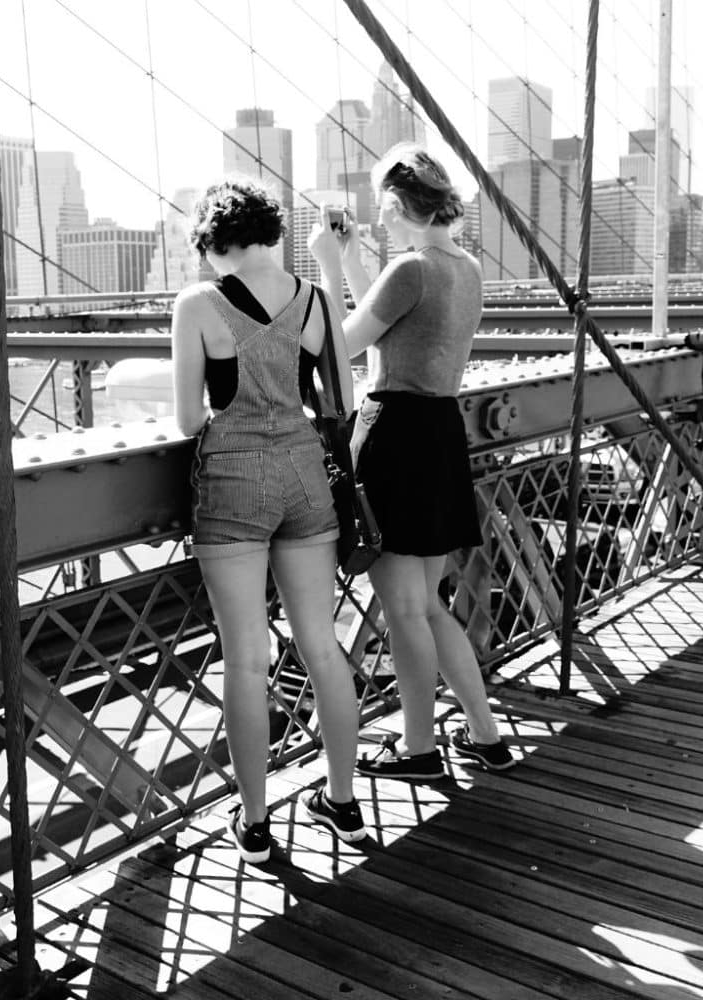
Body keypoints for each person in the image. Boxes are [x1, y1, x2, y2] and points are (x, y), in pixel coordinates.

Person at [172, 178, 368, 862]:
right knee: (320, 645)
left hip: (233, 481)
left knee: (246, 659)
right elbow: (340, 397)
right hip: (307, 476)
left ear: (212, 244)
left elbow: (188, 419)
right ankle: (342, 804)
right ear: (273, 233)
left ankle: (255, 825)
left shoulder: (199, 303)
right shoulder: (314, 299)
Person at [308, 143, 515, 779]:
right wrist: (346, 263)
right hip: (439, 434)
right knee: (426, 603)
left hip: (395, 433)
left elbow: (338, 349)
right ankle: (484, 736)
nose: (377, 220)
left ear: (400, 203)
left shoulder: (411, 270)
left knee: (403, 608)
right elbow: (394, 326)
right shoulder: (464, 268)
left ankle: (419, 752)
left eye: (382, 208)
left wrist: (322, 266)